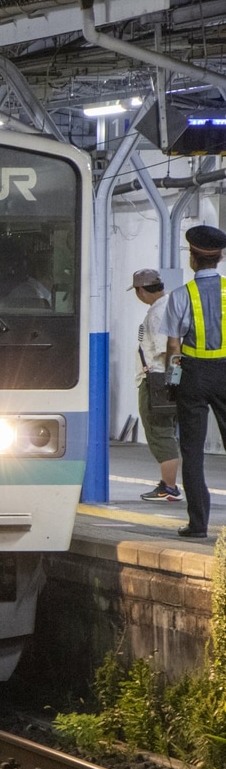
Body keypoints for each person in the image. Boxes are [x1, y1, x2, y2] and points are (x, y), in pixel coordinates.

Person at [161, 224, 226, 538]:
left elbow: (174, 347)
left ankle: (198, 525)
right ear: (221, 257)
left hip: (193, 375)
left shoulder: (180, 296)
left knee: (193, 451)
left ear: (192, 258)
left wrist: (173, 381)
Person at [130, 268, 181, 501]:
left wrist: (172, 379)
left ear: (141, 291)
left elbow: (169, 348)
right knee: (165, 431)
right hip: (166, 379)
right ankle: (167, 483)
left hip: (157, 380)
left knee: (159, 432)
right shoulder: (171, 304)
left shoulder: (158, 313)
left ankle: (169, 488)